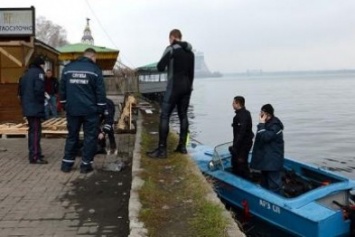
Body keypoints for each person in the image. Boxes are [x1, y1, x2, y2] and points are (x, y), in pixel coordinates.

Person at [146, 29, 195, 159]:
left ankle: (162, 150)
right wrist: (189, 86)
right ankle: (182, 146)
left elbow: (160, 67)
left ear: (172, 37)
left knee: (164, 115)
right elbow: (191, 73)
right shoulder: (190, 52)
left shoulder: (171, 49)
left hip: (174, 86)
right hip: (187, 87)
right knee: (183, 115)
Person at [60, 48, 106, 173]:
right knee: (90, 137)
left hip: (72, 110)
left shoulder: (67, 69)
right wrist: (101, 108)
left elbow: (62, 89)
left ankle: (66, 164)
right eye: (95, 58)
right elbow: (100, 92)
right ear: (92, 56)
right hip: (90, 111)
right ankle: (85, 166)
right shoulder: (95, 70)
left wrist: (64, 104)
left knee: (72, 136)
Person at [19, 56, 48, 164]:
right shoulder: (38, 74)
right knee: (35, 132)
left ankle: (34, 153)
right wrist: (43, 101)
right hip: (35, 107)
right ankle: (35, 156)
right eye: (43, 65)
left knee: (32, 131)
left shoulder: (26, 74)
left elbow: (21, 91)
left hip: (27, 106)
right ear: (40, 65)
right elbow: (39, 90)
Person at [250, 104, 284, 194]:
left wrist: (261, 124)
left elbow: (265, 137)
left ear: (267, 114)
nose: (260, 115)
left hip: (272, 161)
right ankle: (265, 197)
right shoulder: (266, 124)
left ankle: (277, 201)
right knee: (264, 183)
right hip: (265, 160)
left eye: (262, 113)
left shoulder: (275, 126)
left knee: (274, 185)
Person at [229, 96, 254, 178]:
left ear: (238, 104)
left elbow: (241, 133)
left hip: (242, 146)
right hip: (246, 143)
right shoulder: (247, 113)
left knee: (240, 164)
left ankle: (244, 181)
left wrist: (235, 147)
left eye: (233, 103)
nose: (232, 104)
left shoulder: (240, 117)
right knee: (241, 163)